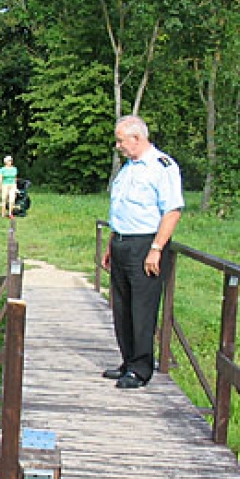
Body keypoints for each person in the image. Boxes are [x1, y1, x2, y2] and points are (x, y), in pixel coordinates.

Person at [101, 115, 184, 389]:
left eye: (121, 140)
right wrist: (111, 244)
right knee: (122, 306)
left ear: (137, 138)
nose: (118, 146)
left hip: (145, 244)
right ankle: (127, 361)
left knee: (142, 307)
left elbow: (172, 211)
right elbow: (120, 209)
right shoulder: (128, 168)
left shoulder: (162, 166)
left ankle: (140, 368)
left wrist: (156, 248)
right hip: (123, 241)